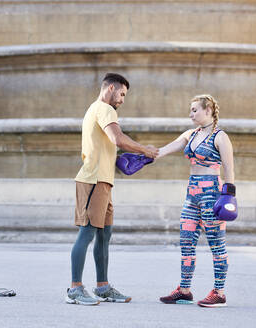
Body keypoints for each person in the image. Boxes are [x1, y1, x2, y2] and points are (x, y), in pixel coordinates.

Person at [66, 73, 159, 305]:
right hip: (93, 180)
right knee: (87, 232)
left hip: (104, 181)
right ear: (109, 88)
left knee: (104, 236)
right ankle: (74, 289)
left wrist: (121, 159)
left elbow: (107, 145)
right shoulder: (105, 109)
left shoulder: (95, 110)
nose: (123, 99)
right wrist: (144, 150)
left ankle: (103, 287)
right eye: (122, 93)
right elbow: (117, 138)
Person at [157, 94, 235, 307]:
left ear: (208, 110)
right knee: (186, 241)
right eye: (190, 110)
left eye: (194, 110)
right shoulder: (190, 134)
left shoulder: (220, 137)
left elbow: (229, 167)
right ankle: (184, 290)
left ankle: (219, 292)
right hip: (192, 194)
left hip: (212, 193)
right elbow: (164, 150)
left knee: (216, 244)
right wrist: (141, 156)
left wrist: (229, 195)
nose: (190, 114)